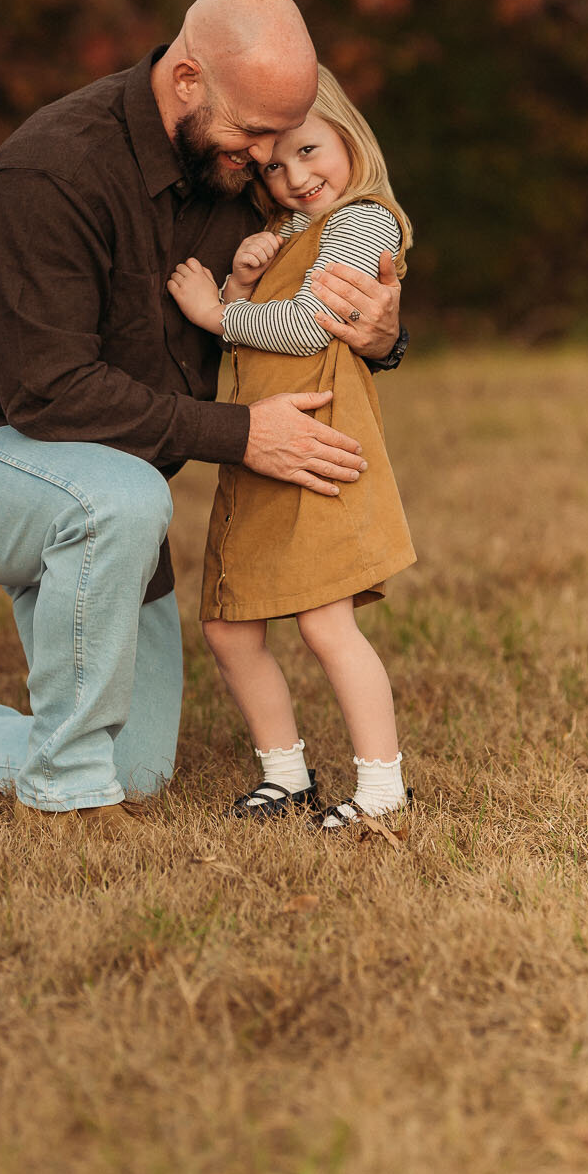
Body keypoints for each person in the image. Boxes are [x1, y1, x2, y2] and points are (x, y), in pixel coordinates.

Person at [0, 0, 407, 837]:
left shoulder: (239, 167)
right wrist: (244, 436)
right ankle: (67, 798)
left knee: (136, 767)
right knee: (123, 502)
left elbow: (316, 292)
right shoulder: (52, 171)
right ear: (188, 80)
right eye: (252, 138)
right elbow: (50, 394)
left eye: (281, 142)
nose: (269, 163)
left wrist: (382, 335)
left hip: (110, 474)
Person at [167, 65, 415, 831]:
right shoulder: (293, 231)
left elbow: (310, 328)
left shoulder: (363, 220)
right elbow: (266, 333)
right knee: (229, 623)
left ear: (346, 132)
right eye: (273, 166)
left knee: (324, 623)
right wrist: (244, 286)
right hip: (262, 447)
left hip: (317, 449)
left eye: (308, 151)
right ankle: (285, 776)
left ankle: (382, 791)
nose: (295, 176)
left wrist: (216, 314)